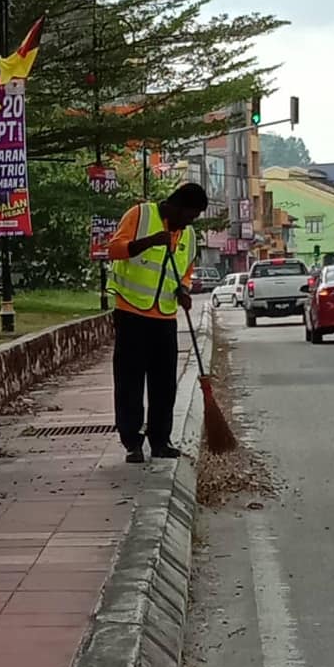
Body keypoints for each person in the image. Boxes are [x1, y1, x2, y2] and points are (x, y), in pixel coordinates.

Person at [107, 182, 208, 463]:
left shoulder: (187, 234)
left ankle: (160, 440)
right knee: (130, 381)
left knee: (164, 383)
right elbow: (113, 250)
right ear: (176, 206)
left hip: (164, 316)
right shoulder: (139, 215)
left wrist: (184, 290)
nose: (190, 222)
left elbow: (186, 271)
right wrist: (149, 242)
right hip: (130, 312)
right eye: (189, 215)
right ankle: (133, 442)